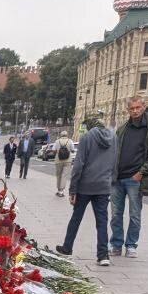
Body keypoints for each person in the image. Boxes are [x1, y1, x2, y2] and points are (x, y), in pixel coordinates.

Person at [55, 111, 117, 266]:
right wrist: (111, 182)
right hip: (103, 186)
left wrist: (72, 190)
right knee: (102, 221)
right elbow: (116, 161)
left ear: (90, 125)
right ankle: (103, 255)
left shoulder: (87, 138)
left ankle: (67, 248)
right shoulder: (114, 138)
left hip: (85, 186)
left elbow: (79, 165)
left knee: (76, 218)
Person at [109, 95, 148, 259]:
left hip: (135, 178)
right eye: (131, 108)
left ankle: (131, 245)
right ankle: (116, 244)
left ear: (143, 107)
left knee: (134, 214)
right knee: (115, 215)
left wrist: (141, 173)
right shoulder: (123, 128)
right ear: (128, 110)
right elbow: (114, 151)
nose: (135, 111)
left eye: (137, 108)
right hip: (118, 179)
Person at [51, 131, 74, 197]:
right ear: (67, 135)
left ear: (61, 135)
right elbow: (72, 150)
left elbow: (53, 150)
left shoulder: (57, 141)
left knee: (59, 175)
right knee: (64, 175)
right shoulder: (70, 141)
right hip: (68, 161)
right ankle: (61, 191)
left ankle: (58, 190)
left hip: (58, 160)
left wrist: (58, 151)